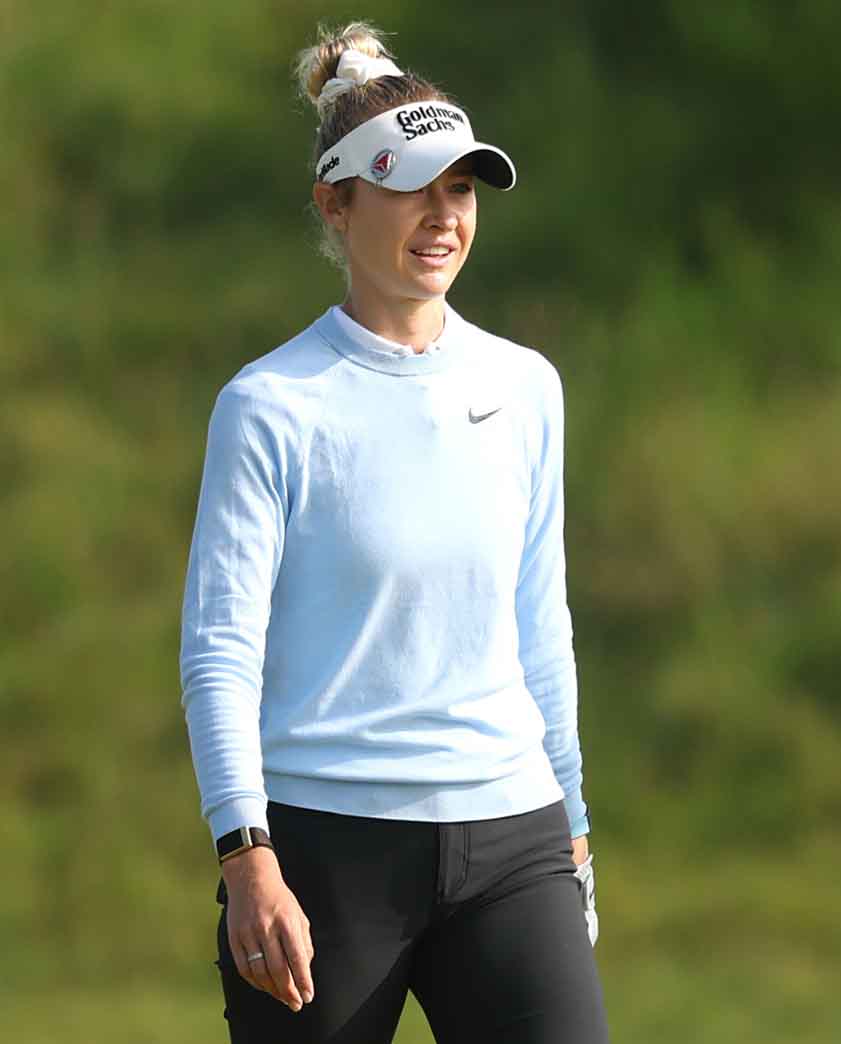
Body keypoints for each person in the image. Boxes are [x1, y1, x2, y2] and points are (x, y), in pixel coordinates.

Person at [179, 22, 607, 1043]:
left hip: (514, 842)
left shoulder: (524, 388)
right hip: (326, 857)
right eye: (411, 186)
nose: (441, 216)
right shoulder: (270, 406)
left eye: (459, 189)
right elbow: (219, 651)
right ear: (337, 202)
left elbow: (538, 621)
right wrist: (247, 857)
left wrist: (576, 830)